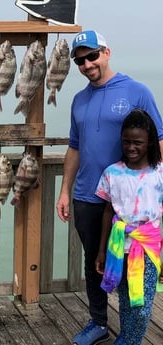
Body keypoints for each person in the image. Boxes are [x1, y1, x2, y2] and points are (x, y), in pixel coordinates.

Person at [55, 30, 163, 345]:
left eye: (92, 56)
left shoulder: (137, 91)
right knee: (94, 262)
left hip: (126, 204)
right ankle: (99, 322)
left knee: (136, 266)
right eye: (80, 61)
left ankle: (131, 328)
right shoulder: (79, 100)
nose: (87, 64)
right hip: (87, 197)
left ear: (106, 52)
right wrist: (65, 190)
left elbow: (157, 140)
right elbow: (74, 148)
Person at [95, 109, 163, 345]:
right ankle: (126, 337)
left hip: (147, 249)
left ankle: (127, 341)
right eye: (126, 142)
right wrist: (102, 251)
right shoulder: (112, 173)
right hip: (118, 247)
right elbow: (108, 211)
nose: (131, 147)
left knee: (142, 305)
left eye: (138, 142)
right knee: (125, 299)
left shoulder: (159, 174)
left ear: (150, 143)